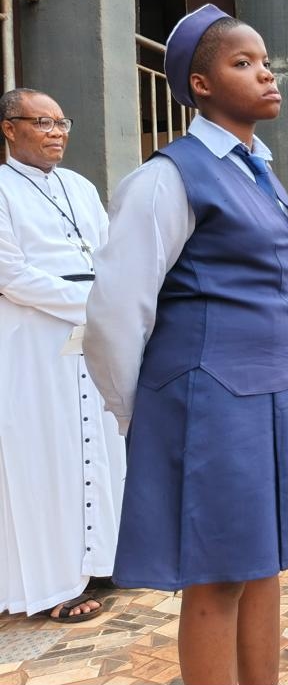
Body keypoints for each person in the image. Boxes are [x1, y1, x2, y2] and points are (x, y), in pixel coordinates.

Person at [84, 6, 288, 683]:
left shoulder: (259, 169)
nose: (266, 73)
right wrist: (138, 413)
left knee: (263, 562)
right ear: (200, 85)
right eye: (242, 62)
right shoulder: (167, 178)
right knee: (219, 575)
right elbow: (115, 312)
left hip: (278, 389)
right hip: (213, 401)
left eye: (264, 61)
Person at [0, 88, 126, 622]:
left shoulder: (79, 186)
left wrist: (111, 300)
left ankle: (103, 562)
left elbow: (108, 251)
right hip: (35, 340)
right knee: (46, 455)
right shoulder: (2, 188)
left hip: (91, 336)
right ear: (10, 128)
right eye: (43, 122)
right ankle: (52, 582)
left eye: (61, 122)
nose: (57, 133)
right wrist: (92, 301)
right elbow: (10, 274)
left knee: (101, 447)